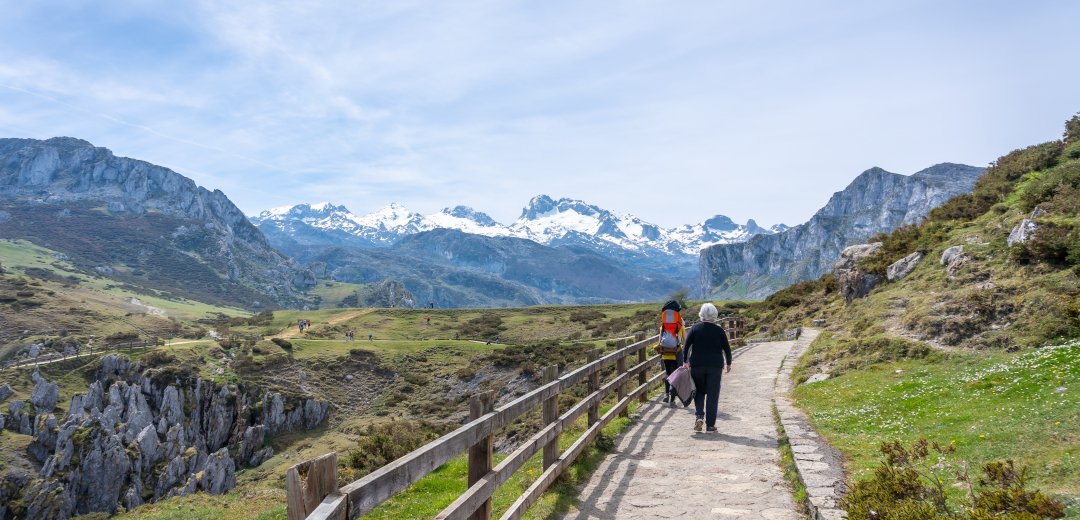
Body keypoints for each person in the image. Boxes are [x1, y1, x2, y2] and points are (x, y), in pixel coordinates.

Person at [683, 302, 732, 433]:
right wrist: (729, 363)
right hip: (715, 366)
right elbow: (726, 348)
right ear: (715, 315)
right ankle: (710, 426)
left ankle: (699, 416)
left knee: (698, 391)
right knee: (712, 395)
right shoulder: (719, 331)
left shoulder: (694, 329)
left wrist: (685, 361)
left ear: (701, 315)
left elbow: (686, 346)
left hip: (697, 365)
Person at [657, 300, 685, 406]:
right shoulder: (680, 327)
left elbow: (660, 340)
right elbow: (684, 340)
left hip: (665, 353)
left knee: (668, 373)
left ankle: (666, 394)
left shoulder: (662, 327)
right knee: (675, 376)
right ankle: (672, 400)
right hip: (676, 353)